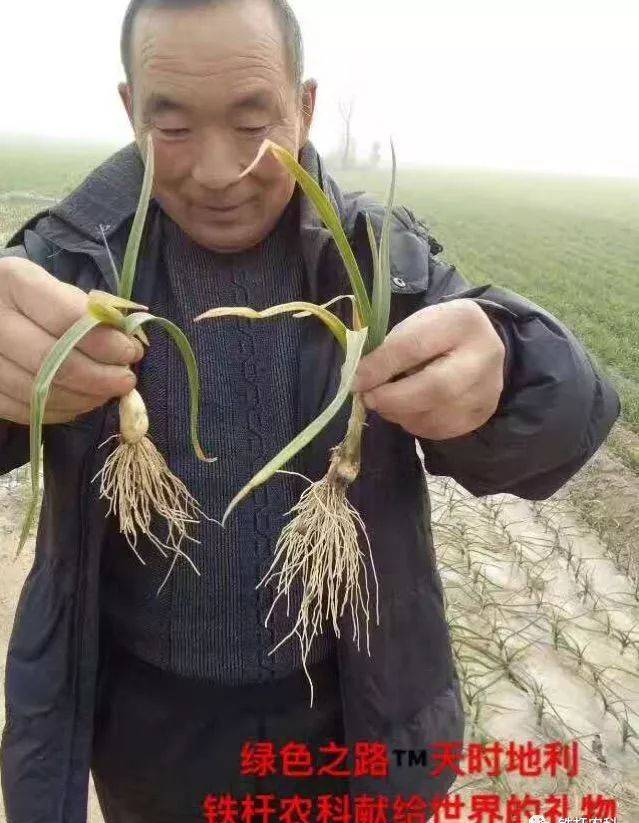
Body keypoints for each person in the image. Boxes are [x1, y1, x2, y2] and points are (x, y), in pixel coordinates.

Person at [0, 1, 620, 821]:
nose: (218, 171)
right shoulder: (65, 266)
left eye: (254, 121)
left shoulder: (378, 259)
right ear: (129, 111)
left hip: (352, 724)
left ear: (305, 106)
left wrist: (511, 361)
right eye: (174, 127)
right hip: (149, 735)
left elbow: (571, 421)